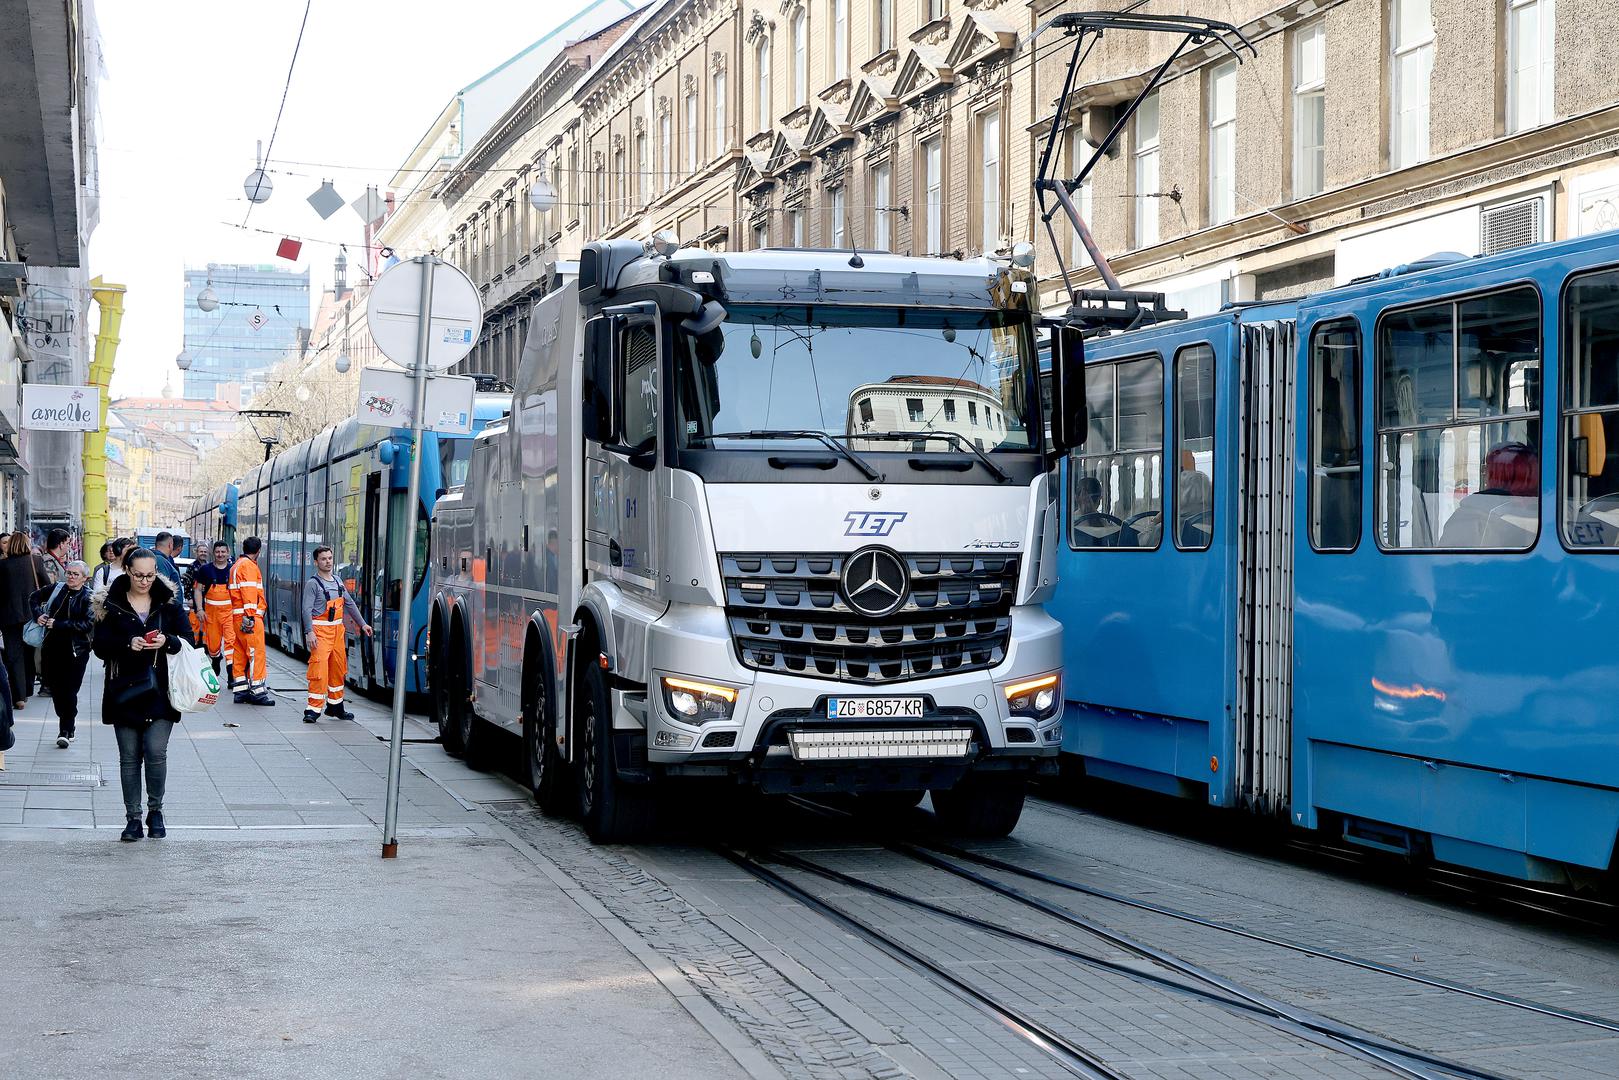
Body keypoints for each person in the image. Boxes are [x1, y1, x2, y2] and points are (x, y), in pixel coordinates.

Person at [91, 548, 193, 842]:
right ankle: (133, 818)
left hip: (161, 690)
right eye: (139, 575)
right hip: (124, 690)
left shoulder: (169, 603)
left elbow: (188, 640)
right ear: (127, 570)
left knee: (156, 752)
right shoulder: (109, 603)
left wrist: (167, 640)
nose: (145, 581)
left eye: (150, 575)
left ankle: (156, 811)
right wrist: (128, 643)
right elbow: (99, 646)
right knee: (130, 757)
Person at [300, 545, 371, 723]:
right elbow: (306, 610)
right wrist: (309, 632)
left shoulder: (338, 581)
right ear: (316, 562)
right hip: (320, 632)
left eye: (330, 558)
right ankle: (313, 709)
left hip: (338, 632)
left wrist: (362, 624)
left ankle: (335, 706)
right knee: (319, 670)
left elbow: (350, 604)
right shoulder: (313, 584)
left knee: (338, 670)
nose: (327, 561)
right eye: (323, 559)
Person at [33, 560, 93, 748]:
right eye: (68, 573)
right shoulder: (57, 589)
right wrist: (38, 615)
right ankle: (67, 719)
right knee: (56, 691)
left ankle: (66, 729)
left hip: (77, 651)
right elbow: (33, 598)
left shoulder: (89, 597)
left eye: (76, 574)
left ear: (85, 578)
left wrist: (59, 624)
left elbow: (87, 624)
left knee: (69, 691)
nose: (71, 577)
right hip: (52, 647)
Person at [1439, 442, 1540, 549]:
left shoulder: (1469, 516)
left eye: (1486, 469)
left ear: (1495, 475)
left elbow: (1444, 561)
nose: (1485, 475)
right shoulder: (1541, 513)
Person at [0, 532, 49, 710]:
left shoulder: (2, 565)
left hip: (8, 617)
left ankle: (18, 696)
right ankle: (27, 689)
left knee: (14, 655)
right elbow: (46, 584)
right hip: (31, 615)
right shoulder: (35, 561)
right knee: (29, 651)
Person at [229, 536, 274, 706]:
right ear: (258, 552)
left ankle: (240, 690)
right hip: (250, 617)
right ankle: (258, 692)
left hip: (237, 617)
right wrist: (249, 617)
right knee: (256, 654)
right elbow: (248, 593)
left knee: (240, 652)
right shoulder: (248, 566)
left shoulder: (235, 566)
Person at [193, 541, 236, 681]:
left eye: (223, 552)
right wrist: (199, 609)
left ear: (228, 553)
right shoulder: (205, 570)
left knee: (231, 643)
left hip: (229, 613)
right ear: (214, 553)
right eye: (218, 552)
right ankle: (216, 660)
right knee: (213, 645)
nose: (220, 554)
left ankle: (231, 674)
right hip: (211, 614)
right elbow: (198, 590)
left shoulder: (233, 570)